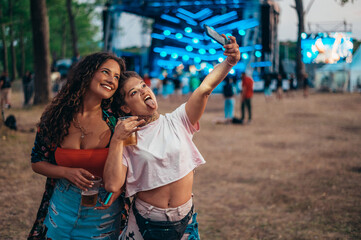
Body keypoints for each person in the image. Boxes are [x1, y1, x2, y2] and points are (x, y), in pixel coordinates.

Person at [103, 35, 240, 240]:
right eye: (134, 93)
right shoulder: (127, 137)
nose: (143, 91)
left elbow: (204, 90)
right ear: (125, 107)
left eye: (143, 86)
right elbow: (113, 185)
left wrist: (229, 62)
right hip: (144, 225)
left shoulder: (177, 120)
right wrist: (116, 140)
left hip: (185, 223)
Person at [28, 52, 129, 240]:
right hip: (61, 209)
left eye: (116, 77)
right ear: (87, 73)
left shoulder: (117, 121)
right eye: (105, 72)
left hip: (103, 215)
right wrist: (66, 172)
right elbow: (37, 162)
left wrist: (119, 190)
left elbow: (133, 166)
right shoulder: (55, 117)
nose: (111, 80)